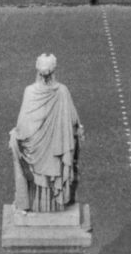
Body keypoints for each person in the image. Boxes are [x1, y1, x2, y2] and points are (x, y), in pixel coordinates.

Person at [9, 53, 85, 213]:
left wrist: (15, 134)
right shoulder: (62, 91)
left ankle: (31, 203)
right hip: (56, 152)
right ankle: (56, 203)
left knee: (15, 139)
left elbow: (23, 125)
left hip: (36, 151)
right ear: (53, 71)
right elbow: (73, 121)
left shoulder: (30, 91)